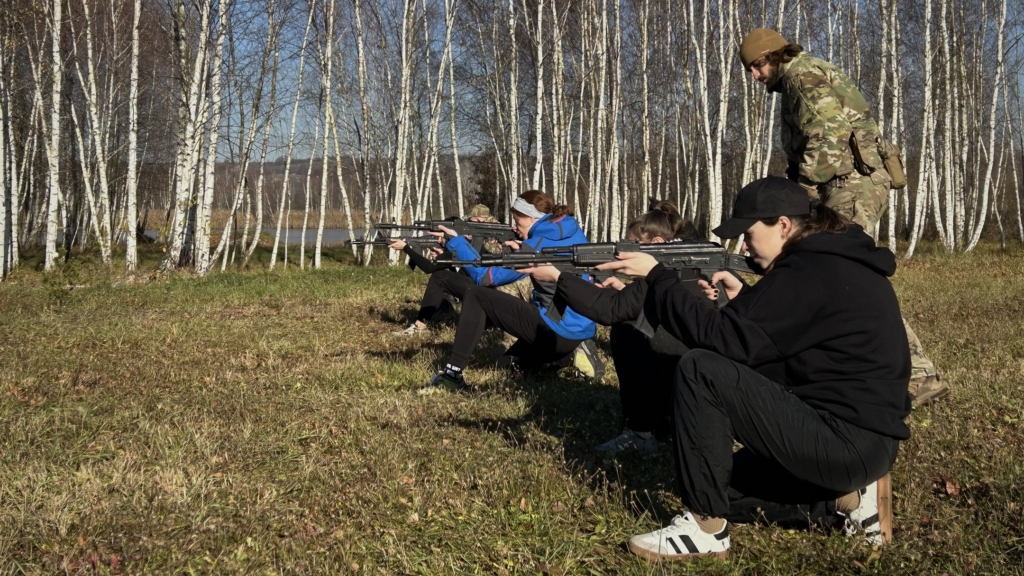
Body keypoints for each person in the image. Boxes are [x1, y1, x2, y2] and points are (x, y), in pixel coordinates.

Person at [599, 177, 909, 560]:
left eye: (748, 233)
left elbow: (721, 341)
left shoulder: (810, 271)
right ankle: (842, 502)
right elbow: (781, 341)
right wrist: (744, 298)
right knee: (721, 484)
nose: (743, 245)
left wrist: (659, 277)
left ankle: (705, 530)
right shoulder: (826, 263)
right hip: (859, 440)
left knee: (701, 369)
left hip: (844, 441)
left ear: (782, 224)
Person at [739, 28, 946, 407]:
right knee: (845, 274)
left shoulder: (802, 76)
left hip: (850, 184)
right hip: (845, 182)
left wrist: (798, 197)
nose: (755, 76)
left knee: (847, 273)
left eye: (756, 66)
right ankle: (909, 369)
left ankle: (917, 373)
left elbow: (827, 137)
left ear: (773, 55)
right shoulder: (802, 76)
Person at [523, 201, 703, 456]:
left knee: (627, 332)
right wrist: (624, 289)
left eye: (632, 245)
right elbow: (650, 300)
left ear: (658, 243)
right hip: (697, 366)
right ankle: (663, 422)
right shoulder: (681, 262)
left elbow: (610, 311)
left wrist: (559, 277)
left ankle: (641, 433)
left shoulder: (670, 270)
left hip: (694, 368)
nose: (623, 252)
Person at [421, 191, 602, 393]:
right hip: (579, 327)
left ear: (532, 217)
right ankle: (570, 355)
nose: (514, 227)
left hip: (556, 327)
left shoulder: (536, 245)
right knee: (506, 366)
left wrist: (457, 242)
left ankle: (452, 375)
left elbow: (485, 277)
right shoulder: (568, 229)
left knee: (476, 294)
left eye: (517, 221)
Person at [391, 204, 533, 336]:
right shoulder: (481, 242)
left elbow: (429, 268)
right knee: (443, 278)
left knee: (439, 276)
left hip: (489, 289)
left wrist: (406, 248)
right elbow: (462, 274)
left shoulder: (475, 244)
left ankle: (420, 324)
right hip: (491, 289)